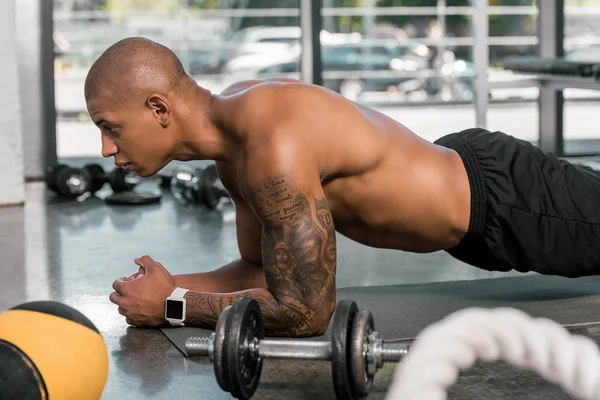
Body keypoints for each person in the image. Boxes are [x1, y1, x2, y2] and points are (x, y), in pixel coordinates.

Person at [86, 38, 600, 337]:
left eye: (109, 126)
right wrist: (169, 281)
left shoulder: (272, 145)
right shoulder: (233, 151)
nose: (107, 149)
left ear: (158, 109)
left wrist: (173, 305)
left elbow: (307, 311)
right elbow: (262, 269)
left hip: (509, 203)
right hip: (469, 186)